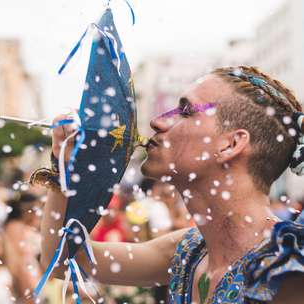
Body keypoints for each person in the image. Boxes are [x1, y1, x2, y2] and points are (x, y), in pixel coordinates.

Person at [39, 66, 304, 303]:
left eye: (185, 111)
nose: (158, 121)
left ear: (231, 144)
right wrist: (66, 165)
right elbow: (62, 260)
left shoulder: (289, 272)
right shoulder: (189, 252)